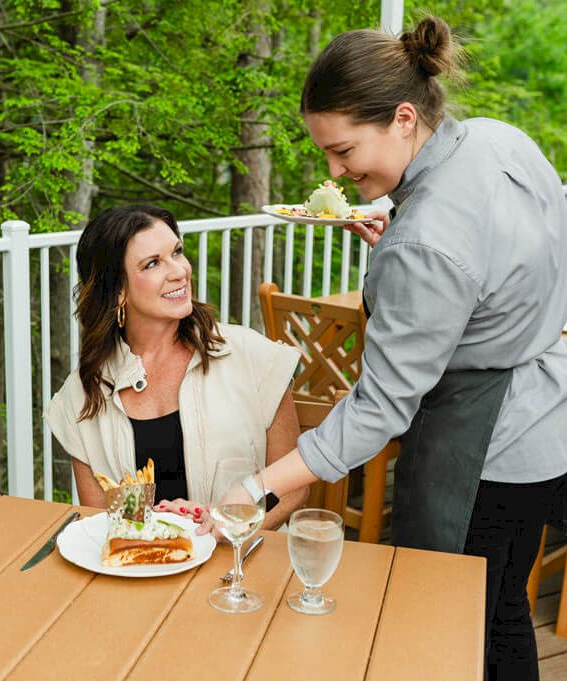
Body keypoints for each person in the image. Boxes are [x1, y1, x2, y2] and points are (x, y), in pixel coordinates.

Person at [213, 16, 567, 681]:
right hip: (548, 429)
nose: (336, 171)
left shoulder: (426, 242)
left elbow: (379, 408)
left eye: (343, 151)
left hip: (482, 452)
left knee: (440, 630)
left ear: (404, 117)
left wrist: (260, 485)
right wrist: (418, 253)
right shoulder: (499, 140)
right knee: (501, 614)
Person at [45, 204, 306, 530]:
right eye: (152, 263)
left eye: (177, 252)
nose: (179, 270)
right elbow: (100, 520)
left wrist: (229, 532)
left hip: (241, 566)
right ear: (118, 290)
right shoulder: (82, 396)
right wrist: (161, 531)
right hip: (144, 567)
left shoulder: (253, 357)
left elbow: (293, 492)